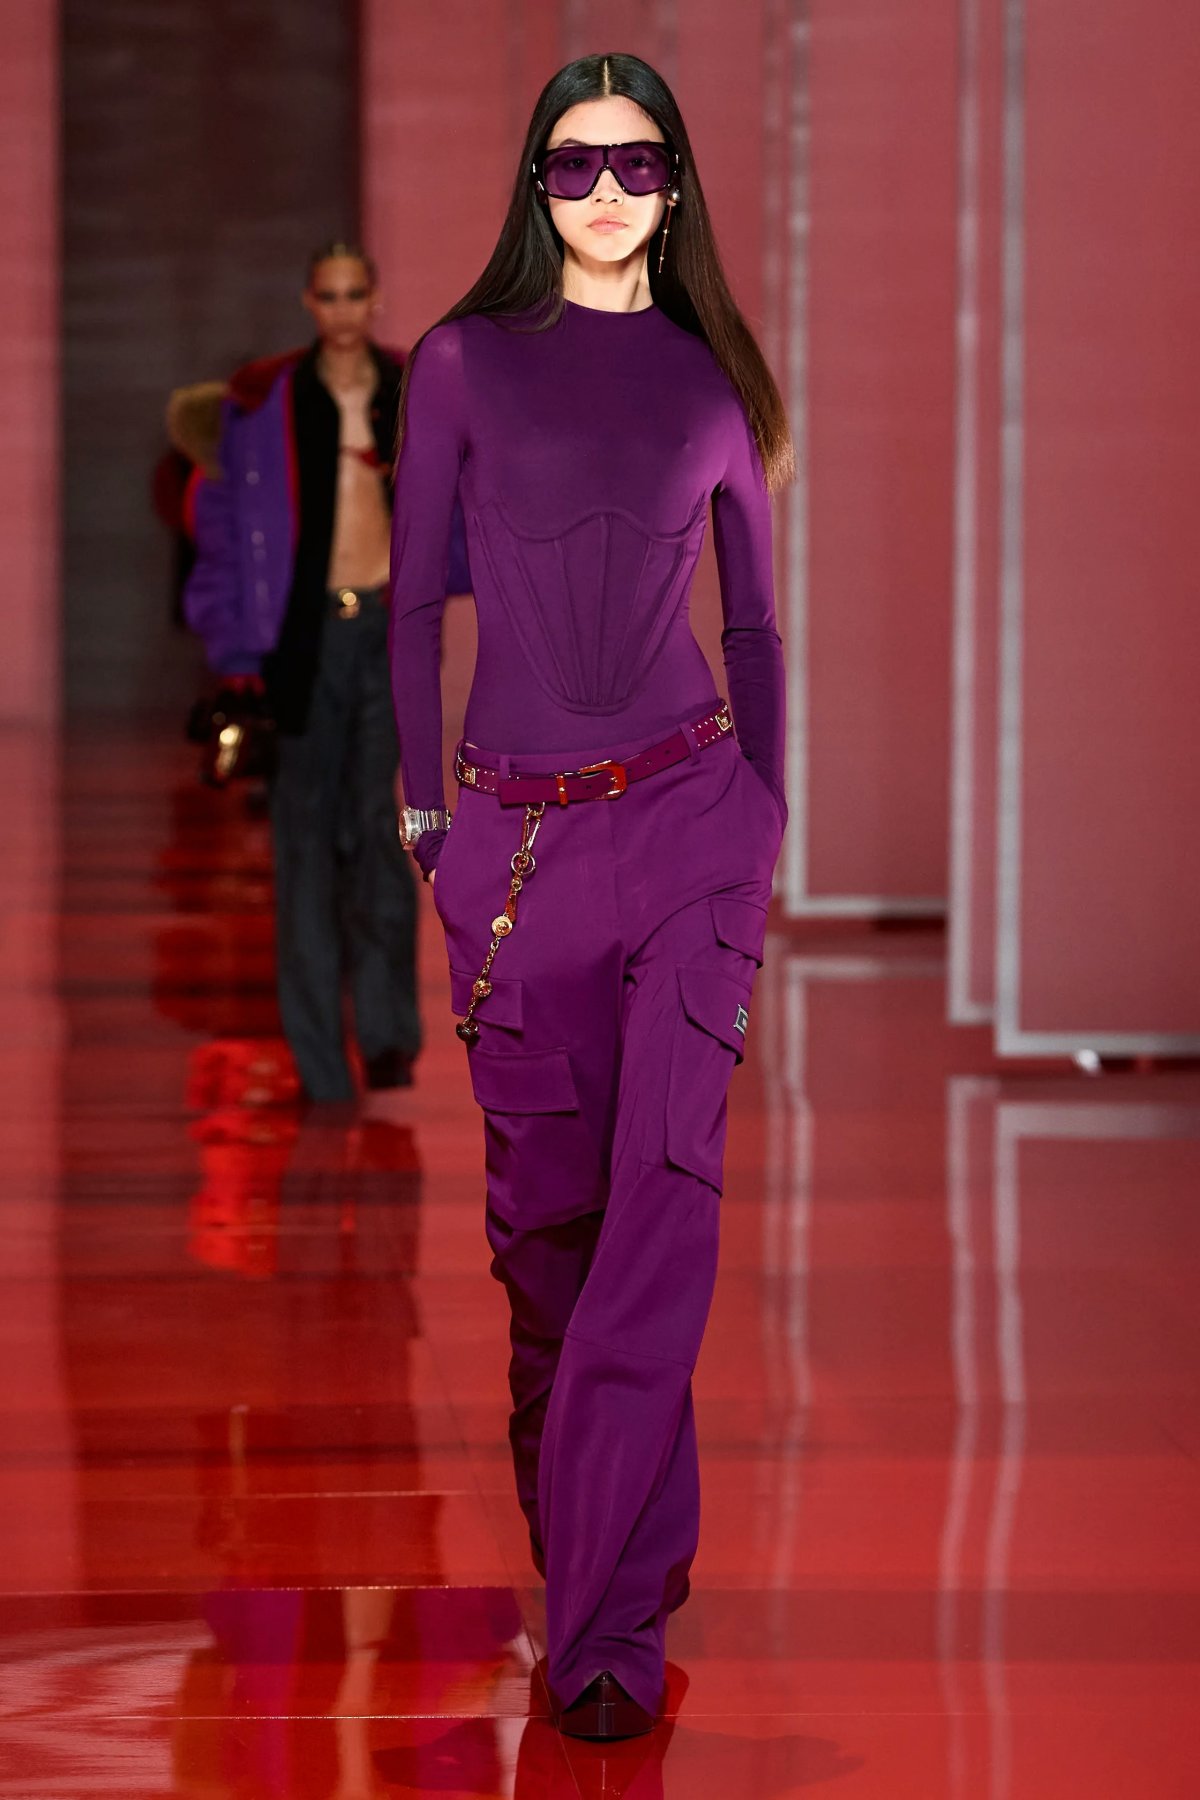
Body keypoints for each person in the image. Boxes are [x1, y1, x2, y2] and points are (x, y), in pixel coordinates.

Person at [389, 55, 791, 1738]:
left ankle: (606, 1633)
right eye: (573, 166)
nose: (607, 188)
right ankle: (616, 1540)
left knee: (664, 1209)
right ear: (534, 189)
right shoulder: (461, 365)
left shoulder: (716, 380)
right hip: (516, 856)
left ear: (679, 185)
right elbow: (414, 604)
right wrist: (425, 820)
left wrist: (762, 817)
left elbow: (754, 619)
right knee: (548, 1250)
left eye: (636, 162)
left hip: (693, 832)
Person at [184, 244, 469, 1104]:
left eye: (357, 293)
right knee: (305, 847)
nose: (344, 308)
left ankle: (384, 1034)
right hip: (303, 643)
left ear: (374, 299)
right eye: (329, 294)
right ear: (310, 301)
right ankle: (318, 1062)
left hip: (386, 631)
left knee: (380, 833)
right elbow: (227, 531)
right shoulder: (264, 407)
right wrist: (237, 655)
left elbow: (466, 500)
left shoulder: (413, 392)